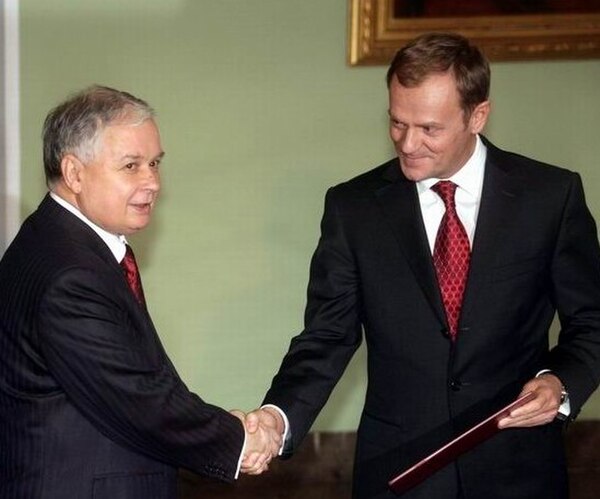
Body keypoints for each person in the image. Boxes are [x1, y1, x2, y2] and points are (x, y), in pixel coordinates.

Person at [240, 33, 600, 498]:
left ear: (478, 116)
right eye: (396, 123)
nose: (408, 144)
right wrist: (277, 417)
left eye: (429, 128)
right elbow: (327, 336)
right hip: (398, 473)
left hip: (518, 473)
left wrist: (560, 383)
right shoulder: (355, 209)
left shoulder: (550, 197)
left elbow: (592, 320)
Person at [0, 85, 279, 499]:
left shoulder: (61, 242)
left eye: (154, 163)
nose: (152, 182)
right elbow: (138, 399)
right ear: (74, 173)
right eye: (131, 166)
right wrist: (237, 439)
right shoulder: (69, 274)